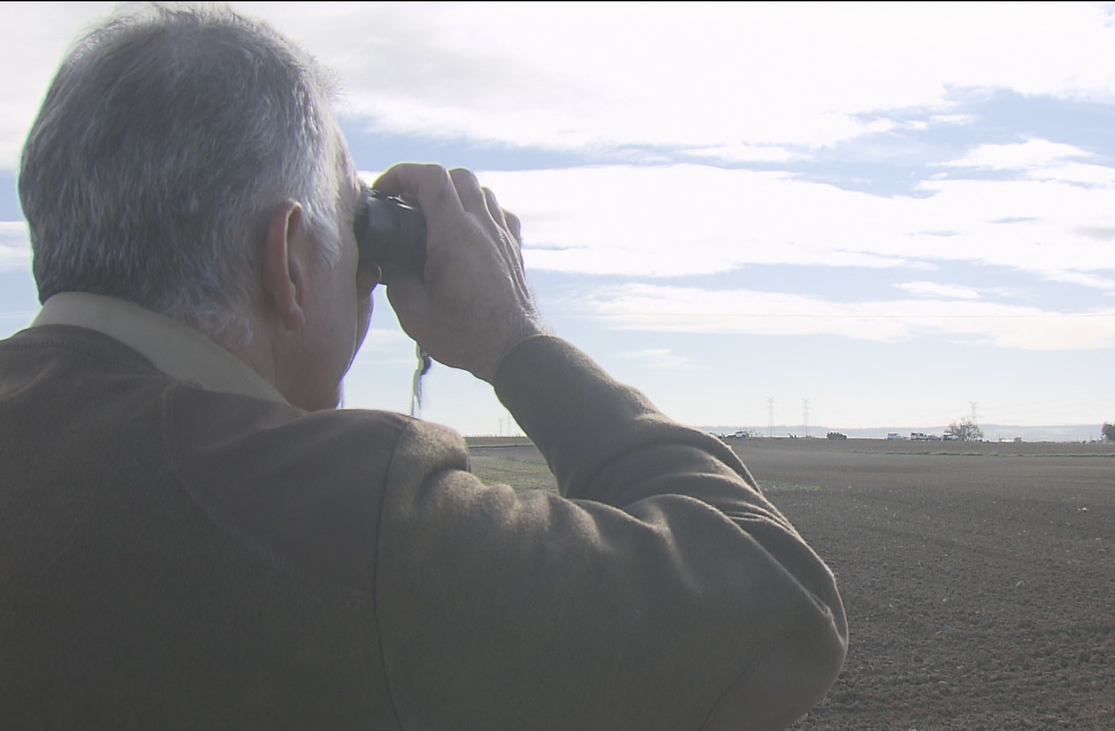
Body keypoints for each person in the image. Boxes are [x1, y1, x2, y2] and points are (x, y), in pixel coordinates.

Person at [0, 5, 847, 730]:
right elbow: (776, 603)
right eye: (356, 233)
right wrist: (512, 334)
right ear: (287, 260)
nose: (368, 275)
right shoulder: (336, 513)